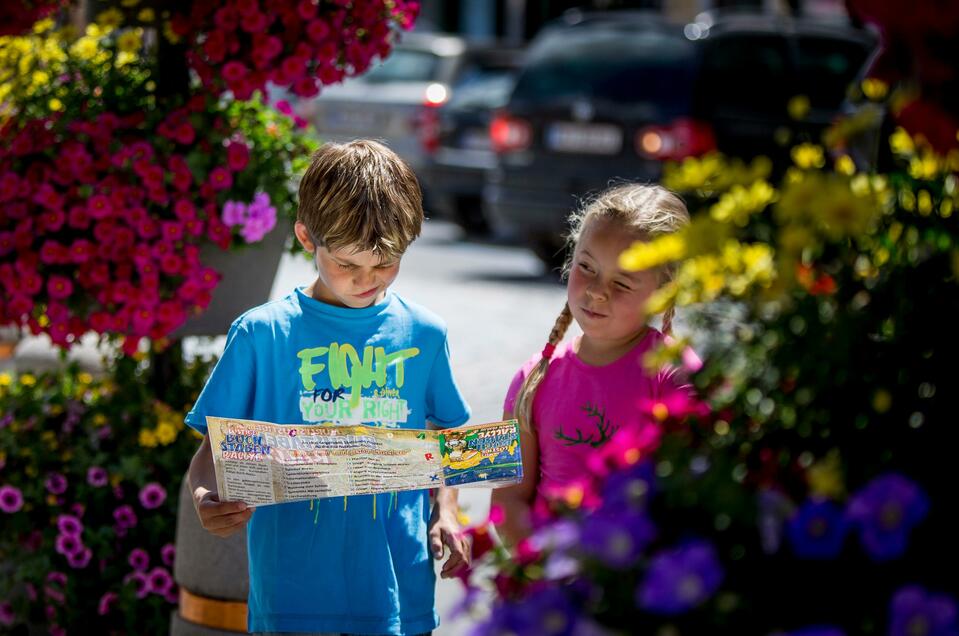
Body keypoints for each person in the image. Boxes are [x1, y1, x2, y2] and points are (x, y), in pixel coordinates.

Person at [185, 140, 472, 635]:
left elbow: (446, 442)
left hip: (399, 593)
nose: (368, 280)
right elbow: (213, 450)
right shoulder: (261, 334)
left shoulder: (426, 333)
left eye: (385, 264)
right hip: (291, 594)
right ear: (305, 237)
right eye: (347, 263)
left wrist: (448, 511)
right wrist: (207, 498)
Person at [491, 183, 695, 545]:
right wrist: (546, 566)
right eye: (587, 267)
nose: (597, 291)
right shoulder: (532, 380)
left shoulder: (674, 375)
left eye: (622, 283)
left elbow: (688, 502)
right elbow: (508, 501)